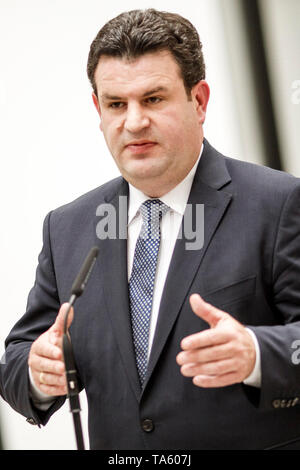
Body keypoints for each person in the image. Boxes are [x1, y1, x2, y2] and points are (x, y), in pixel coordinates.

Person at [1, 8, 300, 450]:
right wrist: (37, 372)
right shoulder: (67, 227)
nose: (134, 122)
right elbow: (18, 360)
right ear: (98, 109)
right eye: (117, 104)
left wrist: (257, 354)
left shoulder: (277, 204)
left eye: (154, 99)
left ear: (198, 101)